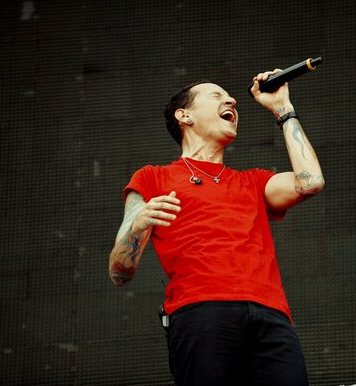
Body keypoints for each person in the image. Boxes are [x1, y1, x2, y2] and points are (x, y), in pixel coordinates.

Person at [108, 69, 324, 386]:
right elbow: (119, 272)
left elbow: (311, 182)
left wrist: (282, 108)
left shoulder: (253, 182)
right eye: (217, 96)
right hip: (201, 312)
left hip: (270, 314)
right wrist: (138, 225)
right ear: (185, 116)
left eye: (229, 96)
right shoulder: (153, 178)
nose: (232, 100)